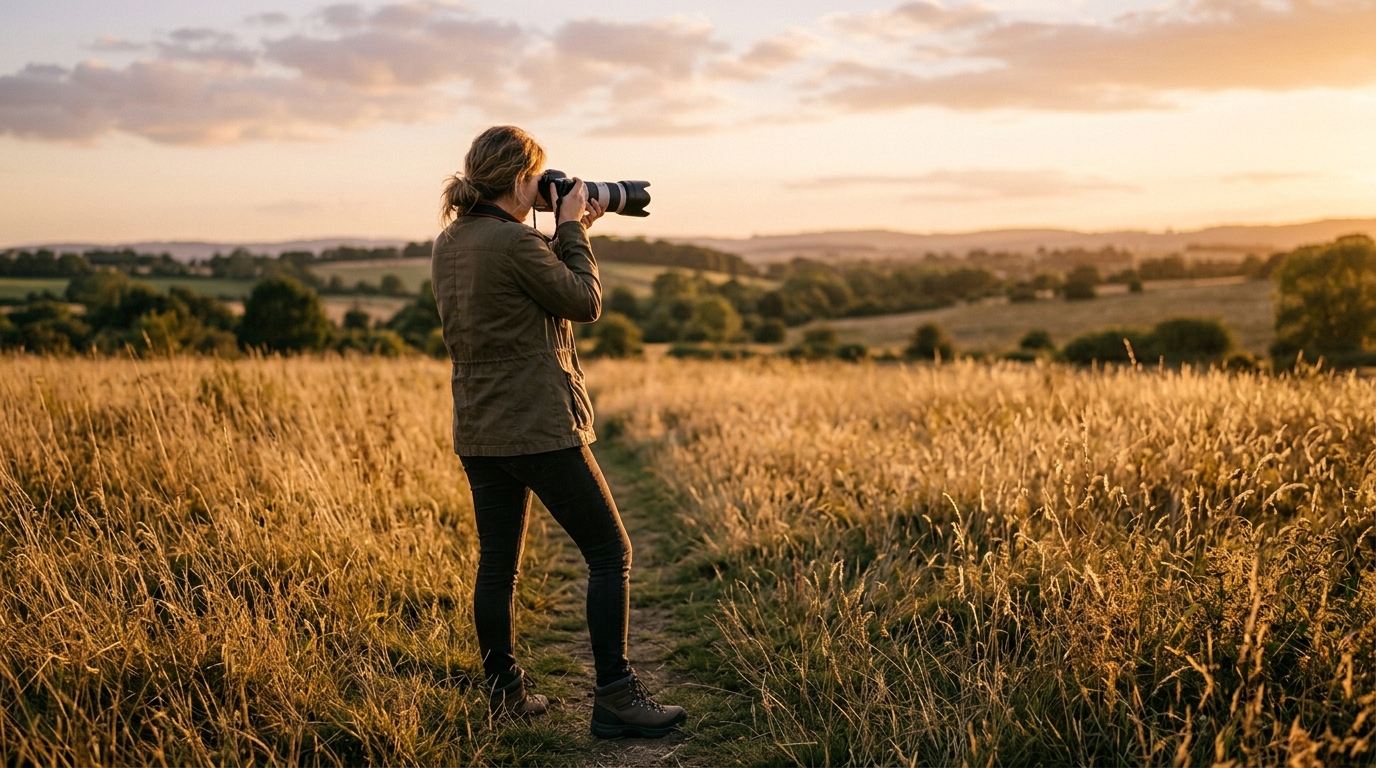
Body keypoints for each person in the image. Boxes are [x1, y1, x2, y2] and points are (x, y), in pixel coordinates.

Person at [431, 125, 687, 739]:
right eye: (539, 177)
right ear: (523, 179)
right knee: (610, 552)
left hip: (480, 425)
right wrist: (572, 230)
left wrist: (565, 228)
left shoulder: (450, 242)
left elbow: (519, 291)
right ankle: (617, 698)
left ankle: (505, 695)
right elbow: (584, 301)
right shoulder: (517, 245)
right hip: (540, 423)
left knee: (498, 566)